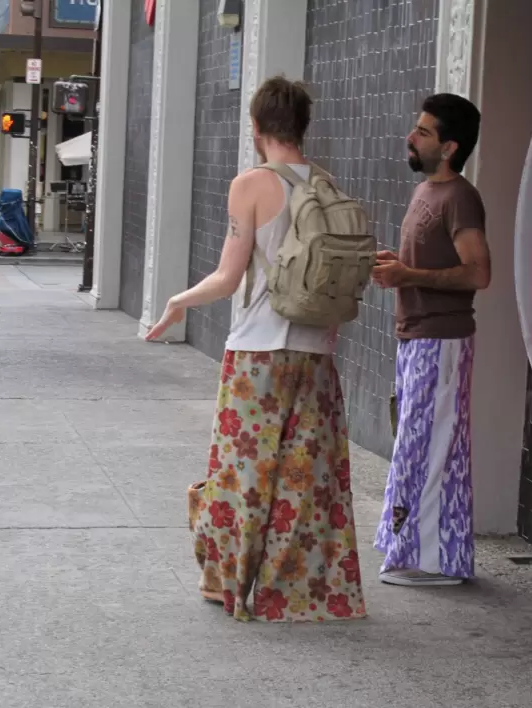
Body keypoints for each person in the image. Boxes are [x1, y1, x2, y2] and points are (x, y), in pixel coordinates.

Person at [145, 76, 366, 624]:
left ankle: (232, 583)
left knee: (241, 472)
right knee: (305, 479)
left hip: (257, 354)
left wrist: (177, 301)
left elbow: (227, 276)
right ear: (302, 126)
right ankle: (304, 592)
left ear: (257, 127)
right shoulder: (326, 184)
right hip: (317, 352)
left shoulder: (251, 185)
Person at [370, 93, 490, 587]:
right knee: (415, 445)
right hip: (416, 338)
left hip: (441, 341)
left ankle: (430, 561)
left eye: (423, 132)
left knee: (432, 447)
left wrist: (408, 274)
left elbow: (478, 273)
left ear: (450, 146)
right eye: (415, 128)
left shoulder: (460, 197)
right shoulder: (426, 192)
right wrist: (396, 268)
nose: (411, 137)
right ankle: (422, 553)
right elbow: (423, 266)